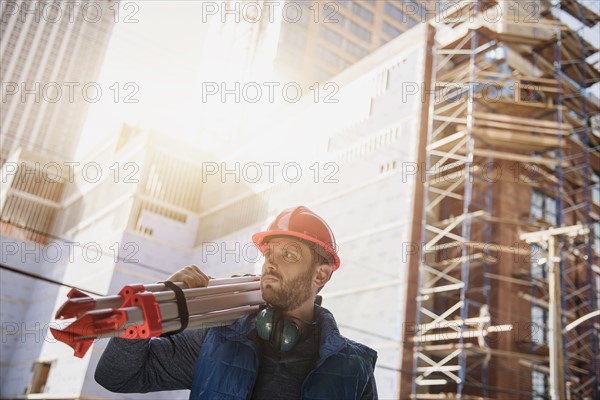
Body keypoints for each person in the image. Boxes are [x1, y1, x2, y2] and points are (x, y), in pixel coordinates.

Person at [95, 205, 378, 399]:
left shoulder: (354, 368)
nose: (271, 264)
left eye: (289, 255)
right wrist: (155, 304)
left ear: (321, 274)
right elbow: (116, 376)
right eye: (269, 254)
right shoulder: (217, 338)